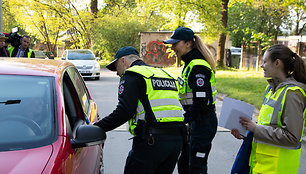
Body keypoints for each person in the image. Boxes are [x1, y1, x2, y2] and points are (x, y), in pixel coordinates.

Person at [93, 46, 186, 174]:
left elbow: (124, 111)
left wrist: (97, 127)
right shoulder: (164, 74)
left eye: (116, 67)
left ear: (123, 61)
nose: (116, 72)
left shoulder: (132, 75)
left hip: (151, 142)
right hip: (176, 141)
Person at [231, 44, 306, 174]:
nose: (261, 65)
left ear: (277, 63)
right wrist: (247, 132)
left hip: (278, 169)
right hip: (261, 166)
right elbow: (268, 125)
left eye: (265, 61)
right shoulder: (271, 89)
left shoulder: (293, 94)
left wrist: (256, 128)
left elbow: (292, 137)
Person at [163, 27, 218, 174]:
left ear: (188, 43)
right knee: (184, 164)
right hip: (195, 121)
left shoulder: (198, 66)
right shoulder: (190, 64)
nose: (173, 48)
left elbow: (200, 104)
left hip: (203, 122)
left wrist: (180, 121)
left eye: (175, 44)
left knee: (196, 167)